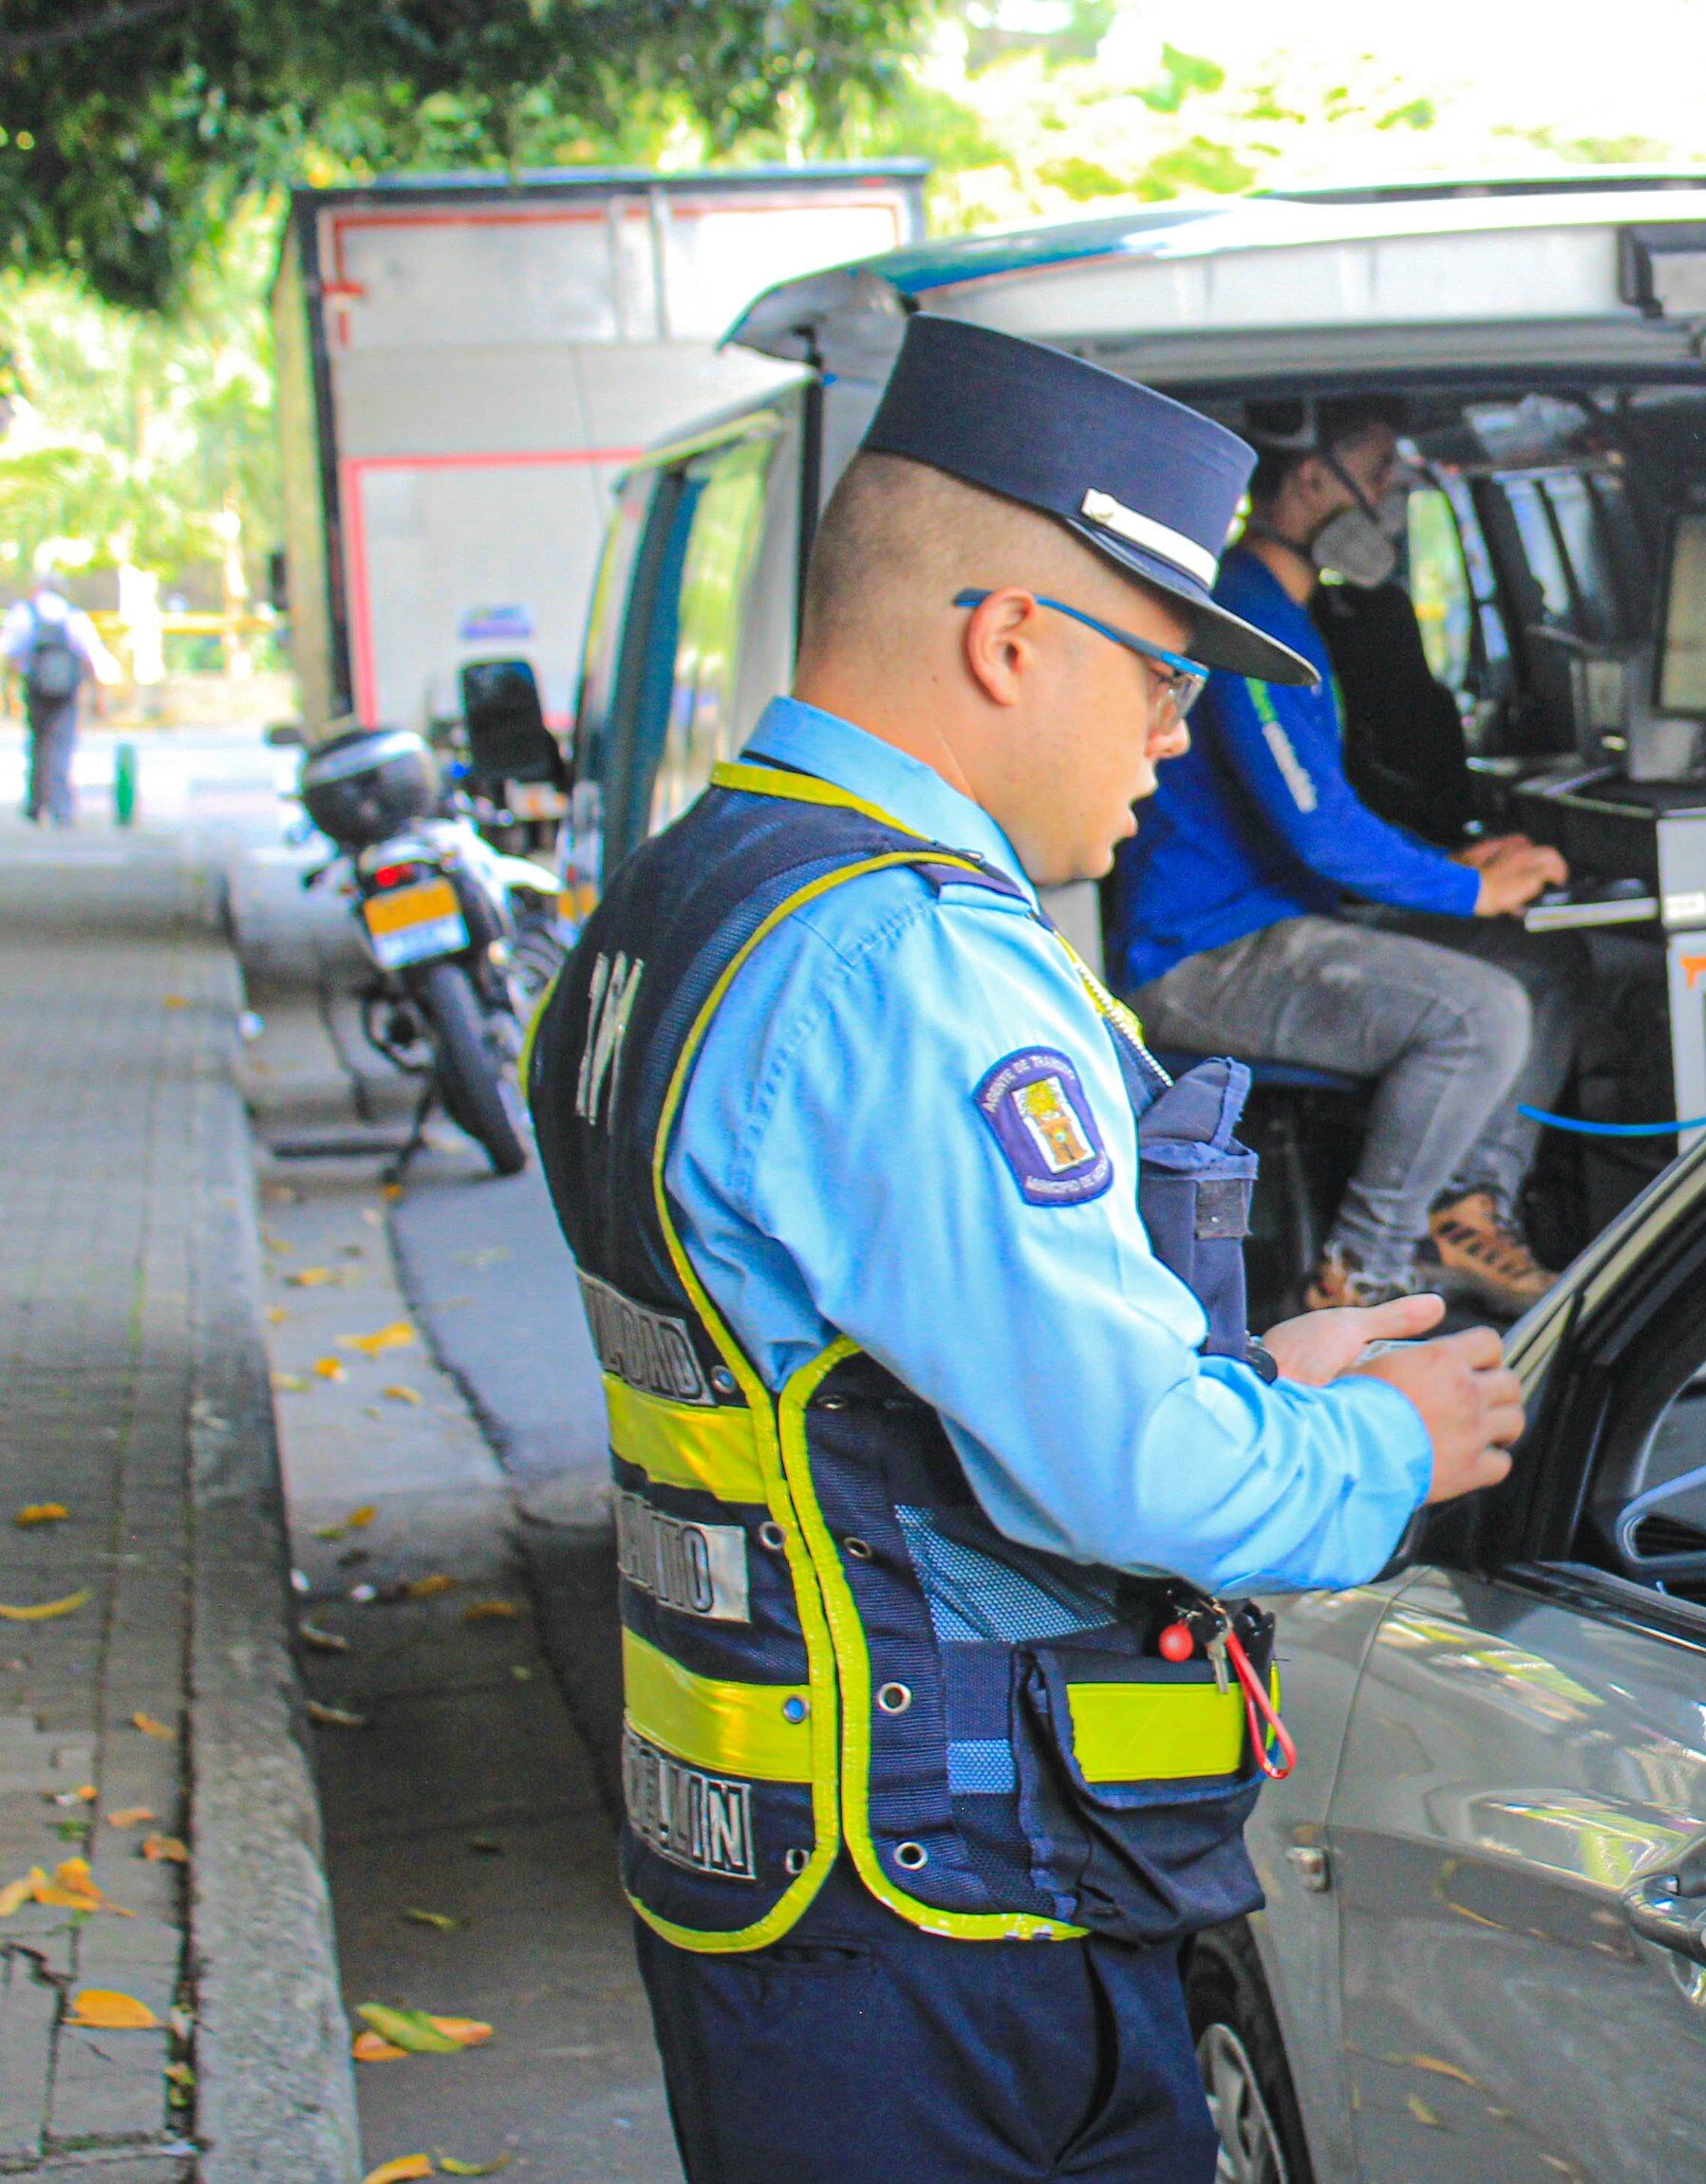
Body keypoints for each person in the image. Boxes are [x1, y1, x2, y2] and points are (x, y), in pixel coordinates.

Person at [522, 315, 1528, 2184]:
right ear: (1007, 642)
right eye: (1161, 673)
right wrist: (1383, 1441)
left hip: (776, 1877)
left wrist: (1244, 1373)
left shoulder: (683, 893)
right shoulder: (911, 963)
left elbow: (855, 1377)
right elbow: (1128, 1473)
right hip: (943, 1922)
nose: (1177, 732)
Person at [1115, 394, 1588, 1316]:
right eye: (1376, 476)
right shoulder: (1246, 618)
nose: (1389, 501)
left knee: (1545, 964)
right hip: (1200, 953)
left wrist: (1455, 867)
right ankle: (1358, 1272)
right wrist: (1464, 888)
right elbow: (1320, 829)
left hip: (1282, 917)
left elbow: (1323, 808)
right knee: (1482, 1014)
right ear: (1309, 480)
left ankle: (1462, 1212)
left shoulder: (1287, 613)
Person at [5, 576, 107, 829]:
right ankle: (62, 807)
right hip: (66, 691)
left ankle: (36, 803)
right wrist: (98, 695)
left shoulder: (24, 613)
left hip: (36, 688)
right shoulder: (74, 616)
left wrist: (8, 690)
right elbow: (91, 656)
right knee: (61, 745)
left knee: (38, 743)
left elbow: (10, 654)